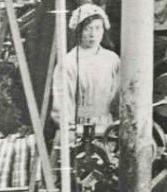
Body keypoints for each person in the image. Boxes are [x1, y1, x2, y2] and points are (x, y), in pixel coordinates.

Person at [51, 3, 120, 136]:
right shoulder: (69, 62)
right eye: (88, 29)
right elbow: (62, 101)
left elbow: (119, 96)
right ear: (79, 31)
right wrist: (70, 129)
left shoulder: (112, 60)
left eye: (97, 28)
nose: (93, 34)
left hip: (108, 129)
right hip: (78, 129)